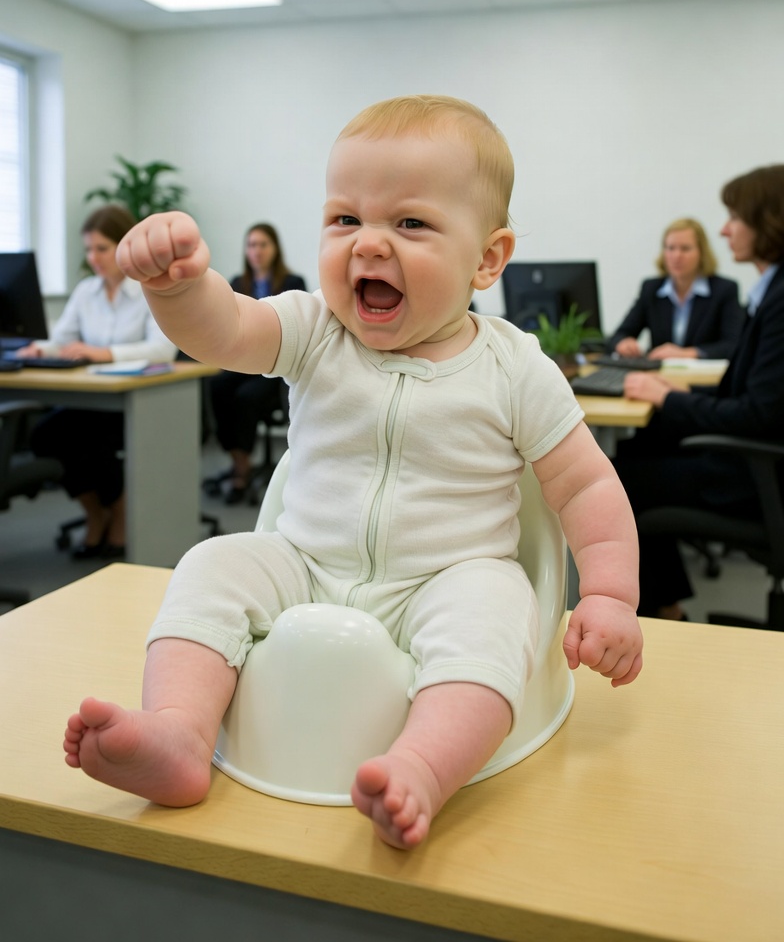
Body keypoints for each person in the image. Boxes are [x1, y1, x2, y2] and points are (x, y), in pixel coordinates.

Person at [63, 95, 643, 850]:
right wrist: (176, 289)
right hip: (305, 562)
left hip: (448, 577)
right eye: (345, 218)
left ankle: (421, 768)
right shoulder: (316, 330)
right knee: (212, 565)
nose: (368, 243)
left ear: (487, 259)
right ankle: (179, 732)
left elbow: (586, 485)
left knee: (497, 613)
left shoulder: (513, 368)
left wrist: (609, 595)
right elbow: (224, 330)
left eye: (411, 223)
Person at [613, 164, 784, 620]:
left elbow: (756, 413)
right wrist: (678, 392)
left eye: (736, 218)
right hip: (750, 454)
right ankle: (667, 606)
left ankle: (663, 612)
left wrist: (669, 398)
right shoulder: (770, 292)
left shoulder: (776, 299)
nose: (726, 230)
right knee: (634, 449)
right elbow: (757, 395)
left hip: (754, 472)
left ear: (768, 222)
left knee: (615, 481)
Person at [17, 204, 177, 558]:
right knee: (46, 435)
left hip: (137, 401)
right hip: (94, 398)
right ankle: (97, 512)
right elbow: (62, 340)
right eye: (88, 249)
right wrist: (39, 349)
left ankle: (119, 511)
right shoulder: (86, 291)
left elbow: (162, 349)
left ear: (124, 247)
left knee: (92, 441)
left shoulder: (149, 290)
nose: (93, 258)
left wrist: (103, 353)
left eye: (102, 248)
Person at [209, 223, 305, 502]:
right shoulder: (238, 284)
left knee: (245, 398)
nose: (257, 251)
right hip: (244, 362)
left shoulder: (292, 282)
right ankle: (239, 459)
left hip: (275, 366)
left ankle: (242, 469)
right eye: (252, 245)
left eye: (263, 244)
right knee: (217, 387)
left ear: (275, 249)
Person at [607, 217, 744, 360]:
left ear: (701, 252)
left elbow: (733, 345)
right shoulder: (651, 289)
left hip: (704, 373)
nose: (676, 256)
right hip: (658, 371)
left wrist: (687, 353)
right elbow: (618, 335)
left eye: (685, 249)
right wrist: (623, 343)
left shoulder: (724, 290)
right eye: (670, 248)